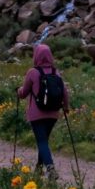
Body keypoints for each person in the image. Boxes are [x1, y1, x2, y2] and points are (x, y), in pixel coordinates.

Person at [16, 44, 70, 177]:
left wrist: (18, 91)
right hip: (53, 113)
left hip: (37, 114)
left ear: (36, 56)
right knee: (44, 140)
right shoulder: (55, 72)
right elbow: (65, 92)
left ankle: (50, 168)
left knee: (41, 141)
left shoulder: (33, 72)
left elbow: (24, 93)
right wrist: (66, 107)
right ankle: (39, 169)